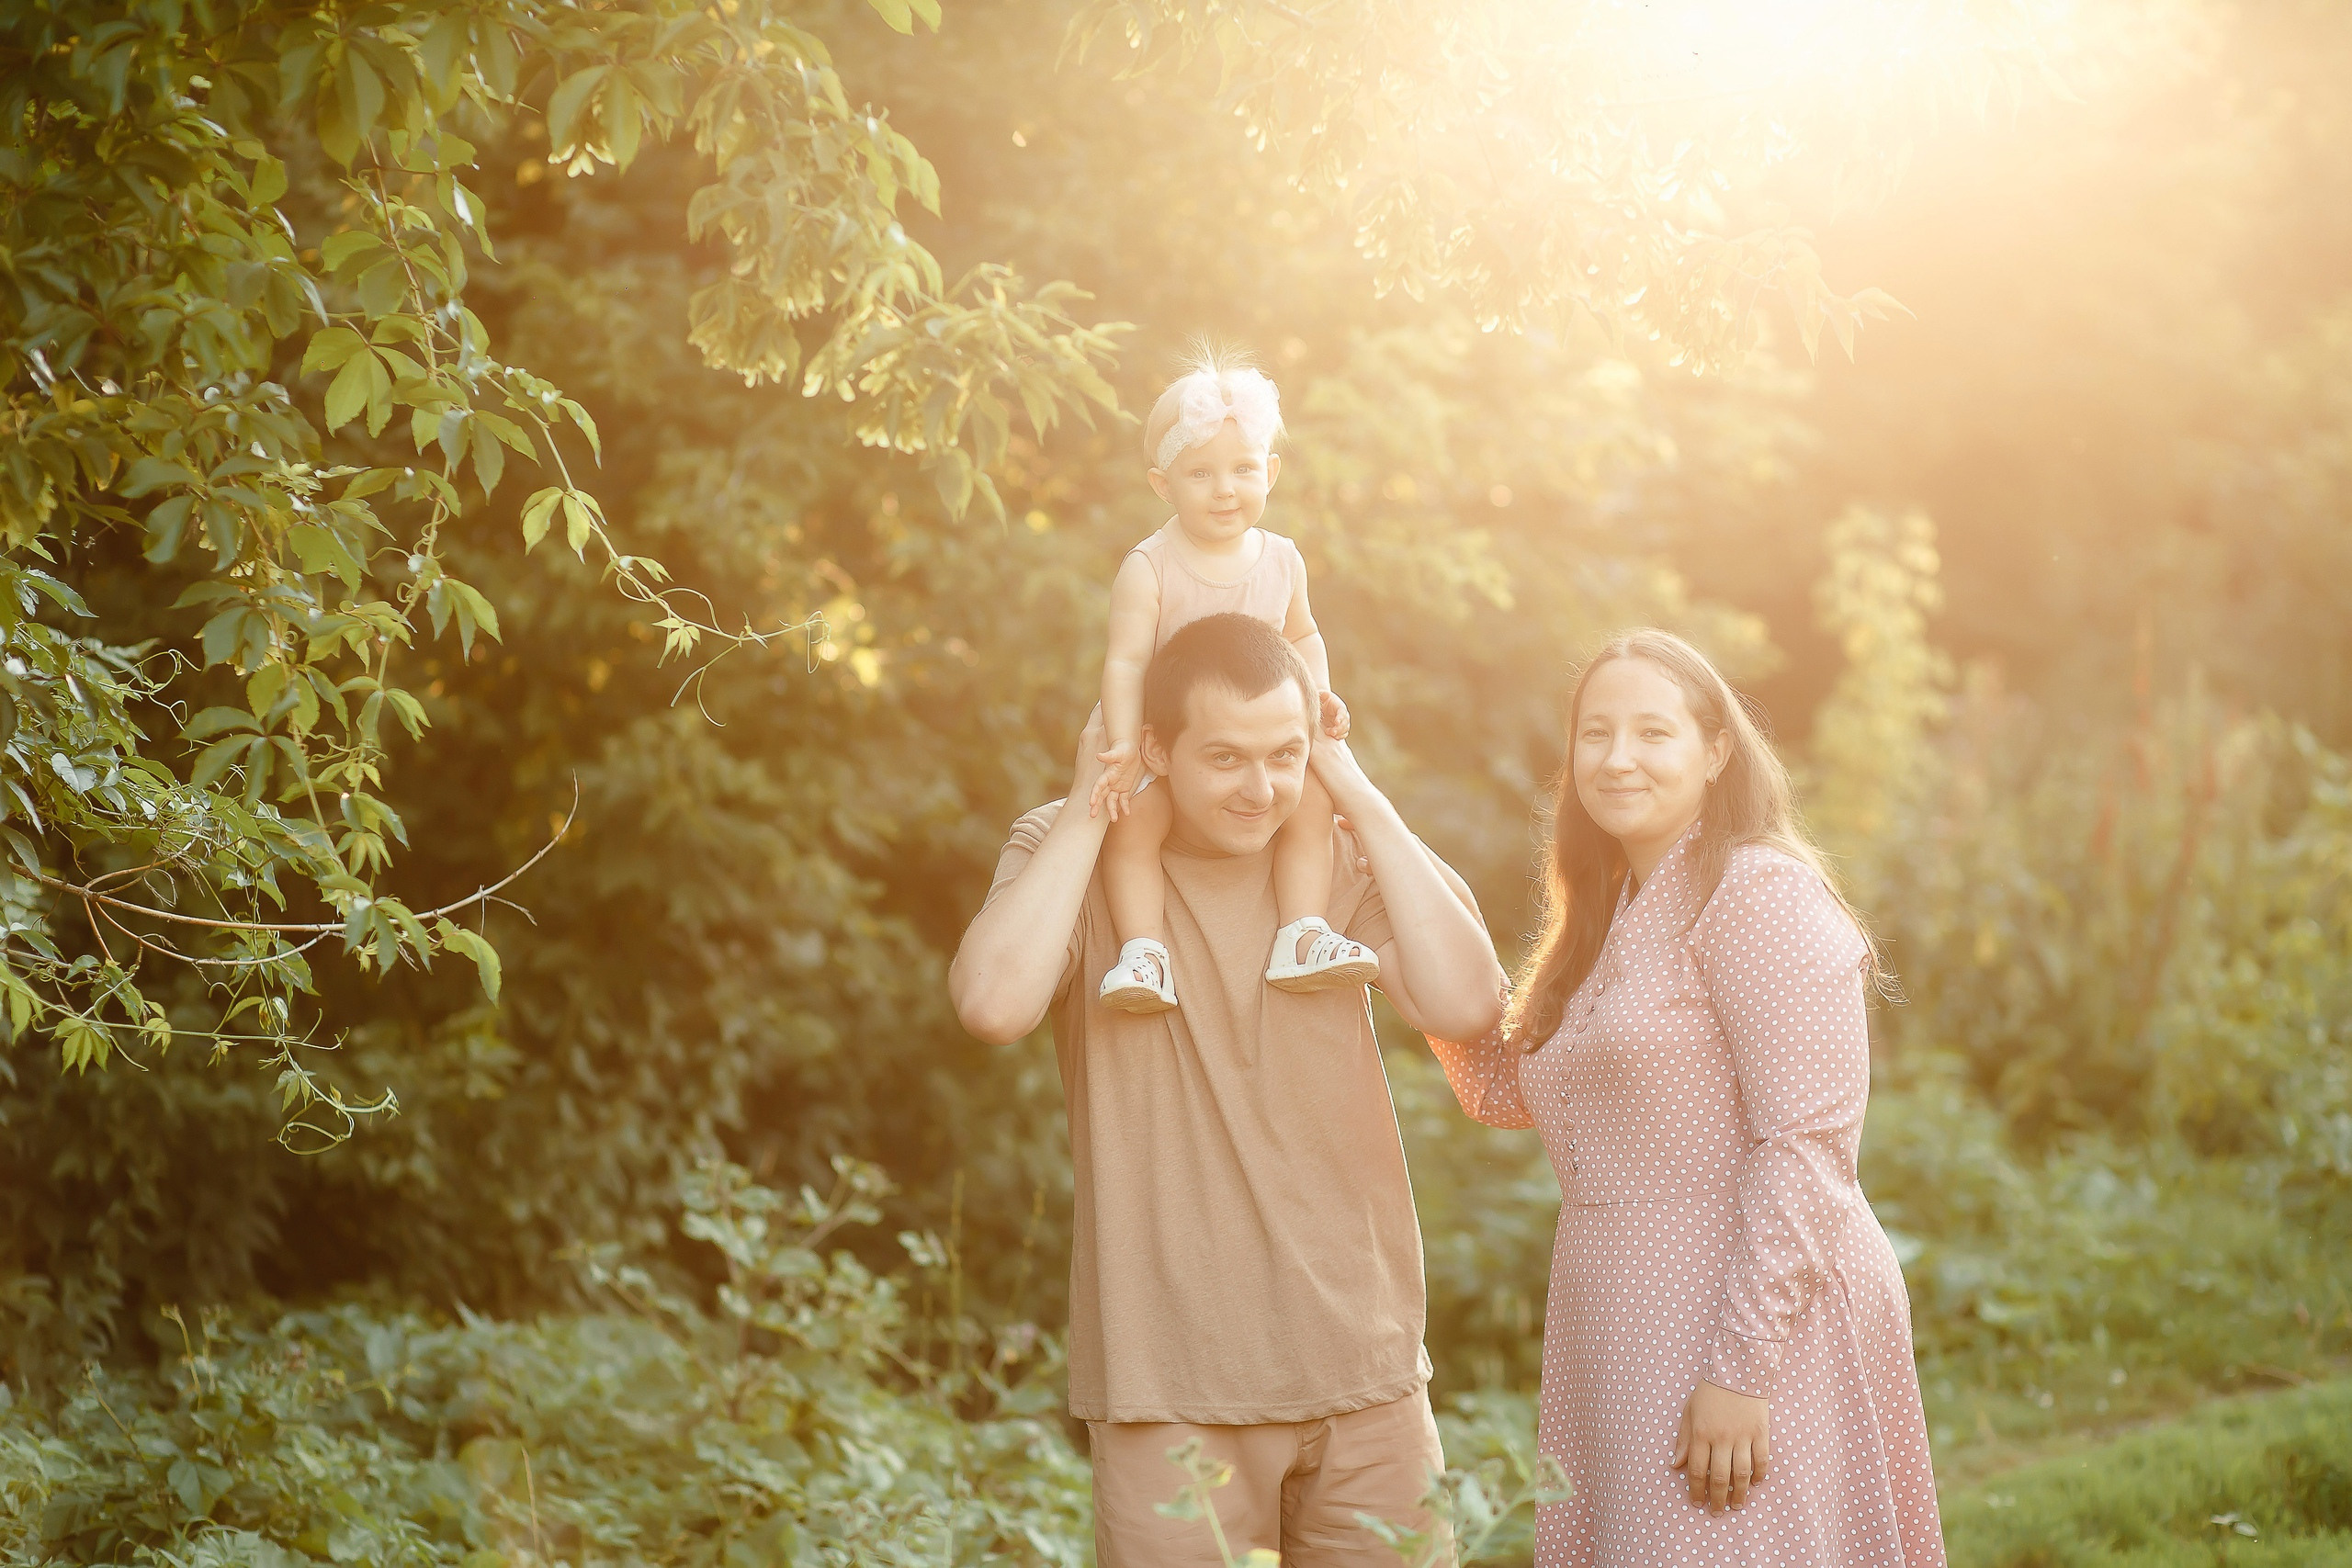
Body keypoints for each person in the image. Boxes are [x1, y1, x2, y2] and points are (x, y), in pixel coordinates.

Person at [951, 611, 1505, 1567]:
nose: (1261, 790)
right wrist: (1092, 799)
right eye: (1226, 759)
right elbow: (994, 1005)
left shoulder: (1335, 848)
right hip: (1168, 1385)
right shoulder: (1070, 847)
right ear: (1157, 747)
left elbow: (1468, 1002)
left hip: (1364, 1377)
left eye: (1284, 755)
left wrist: (1357, 798)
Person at [1426, 628, 1944, 1567]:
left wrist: (1742, 1370)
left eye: (1652, 733)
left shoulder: (1758, 894)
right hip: (1618, 1318)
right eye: (1595, 733)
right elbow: (1512, 1089)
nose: (1617, 757)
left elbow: (1808, 1144)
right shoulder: (1608, 909)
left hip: (1746, 1314)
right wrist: (1400, 930)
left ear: (1714, 752)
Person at [1086, 351, 1378, 1015]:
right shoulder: (1151, 566)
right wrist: (1129, 743)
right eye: (1200, 473)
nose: (1225, 489)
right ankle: (1144, 951)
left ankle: (1301, 933)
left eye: (1243, 469)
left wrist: (1315, 701)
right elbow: (1127, 660)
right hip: (1171, 741)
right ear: (1163, 484)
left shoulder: (1281, 558)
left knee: (1309, 807)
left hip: (1259, 740)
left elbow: (1302, 635)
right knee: (1137, 825)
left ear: (1270, 472)